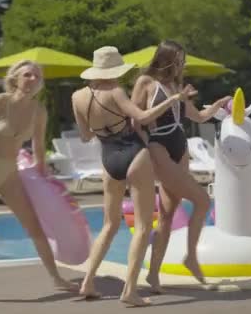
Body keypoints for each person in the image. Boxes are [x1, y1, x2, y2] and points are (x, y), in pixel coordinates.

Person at [71, 46, 196, 306]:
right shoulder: (115, 91)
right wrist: (174, 100)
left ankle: (88, 281)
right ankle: (129, 291)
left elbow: (85, 136)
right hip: (133, 154)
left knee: (109, 224)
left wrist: (104, 124)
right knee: (141, 227)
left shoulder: (77, 97)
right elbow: (143, 116)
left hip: (108, 157)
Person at [0, 60, 76, 306]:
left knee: (35, 228)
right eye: (28, 75)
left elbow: (38, 148)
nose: (33, 80)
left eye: (37, 76)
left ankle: (56, 278)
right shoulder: (0, 102)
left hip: (9, 173)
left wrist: (45, 174)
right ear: (15, 78)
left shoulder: (39, 111)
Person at [130, 40, 231, 292]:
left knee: (166, 215)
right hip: (158, 146)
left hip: (180, 146)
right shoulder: (146, 83)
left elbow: (196, 116)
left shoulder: (175, 85)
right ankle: (191, 258)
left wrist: (217, 107)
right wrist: (145, 149)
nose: (182, 65)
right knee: (203, 201)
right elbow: (135, 120)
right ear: (166, 60)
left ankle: (153, 275)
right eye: (179, 61)